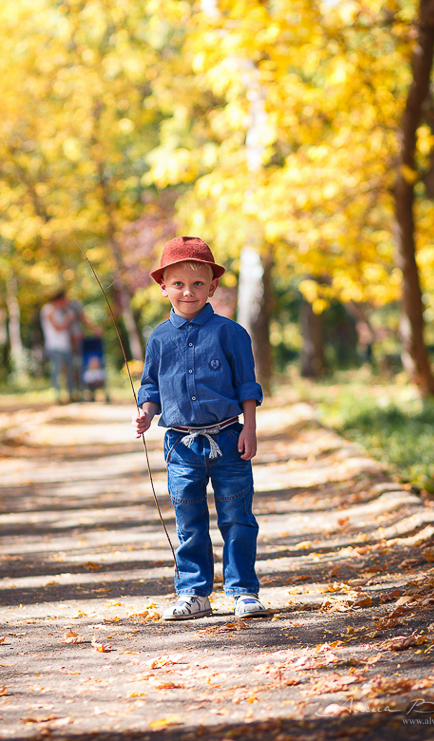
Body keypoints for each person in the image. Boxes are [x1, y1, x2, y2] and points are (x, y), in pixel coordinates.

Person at [133, 236, 267, 621]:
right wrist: (145, 412)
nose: (188, 291)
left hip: (228, 437)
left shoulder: (231, 333)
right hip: (180, 445)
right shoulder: (158, 338)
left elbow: (247, 386)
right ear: (163, 288)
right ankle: (194, 592)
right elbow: (151, 386)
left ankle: (244, 591)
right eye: (178, 284)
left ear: (213, 286)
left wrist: (250, 429)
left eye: (197, 283)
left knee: (237, 518)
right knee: (189, 521)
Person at [40, 290, 77, 403]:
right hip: (54, 345)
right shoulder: (48, 309)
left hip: (65, 345)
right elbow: (57, 327)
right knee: (57, 371)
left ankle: (71, 395)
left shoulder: (60, 311)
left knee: (70, 370)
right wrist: (68, 319)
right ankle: (57, 396)